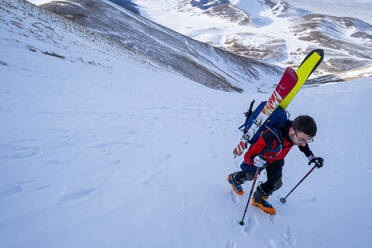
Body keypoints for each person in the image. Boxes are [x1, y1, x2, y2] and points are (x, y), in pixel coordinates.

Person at [227, 115, 324, 215]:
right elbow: (248, 155)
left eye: (307, 140)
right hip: (261, 159)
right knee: (249, 175)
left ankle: (257, 199)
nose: (304, 144)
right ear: (291, 131)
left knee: (276, 183)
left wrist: (311, 157)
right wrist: (255, 159)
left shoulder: (296, 133)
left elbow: (303, 146)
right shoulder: (270, 136)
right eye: (302, 140)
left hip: (277, 159)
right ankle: (234, 179)